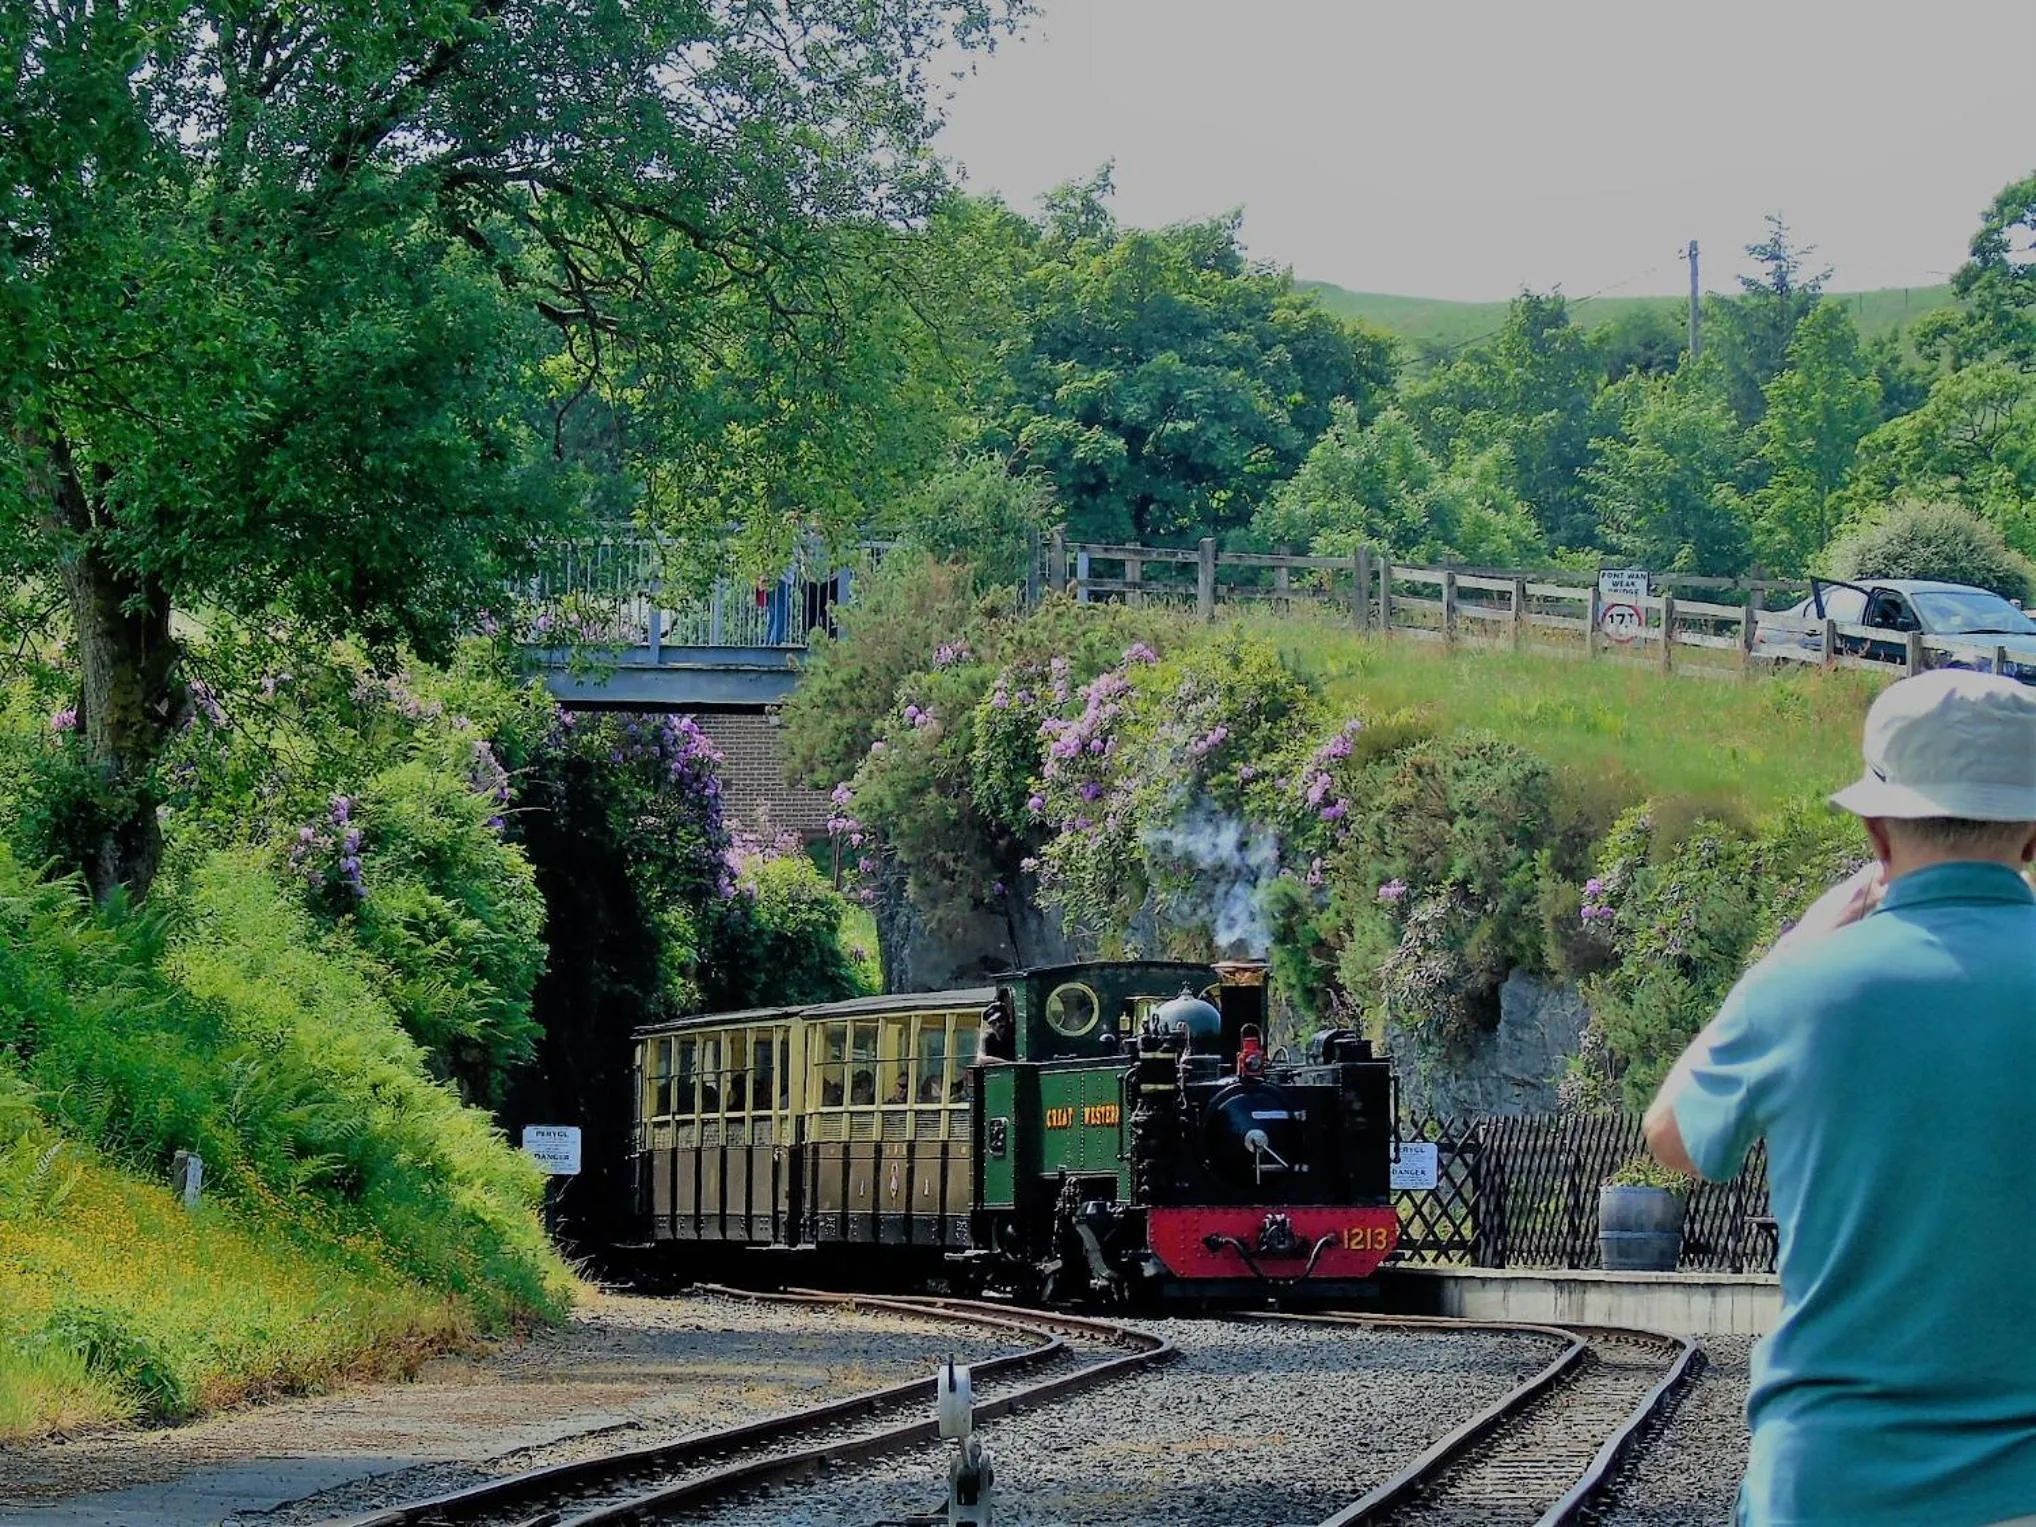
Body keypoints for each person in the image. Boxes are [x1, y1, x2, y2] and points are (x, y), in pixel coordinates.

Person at [1644, 670, 2036, 1527]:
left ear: (1874, 829)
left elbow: (1671, 1135)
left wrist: (1795, 944)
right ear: (2033, 834)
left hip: (1831, 1483)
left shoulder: (1800, 987)